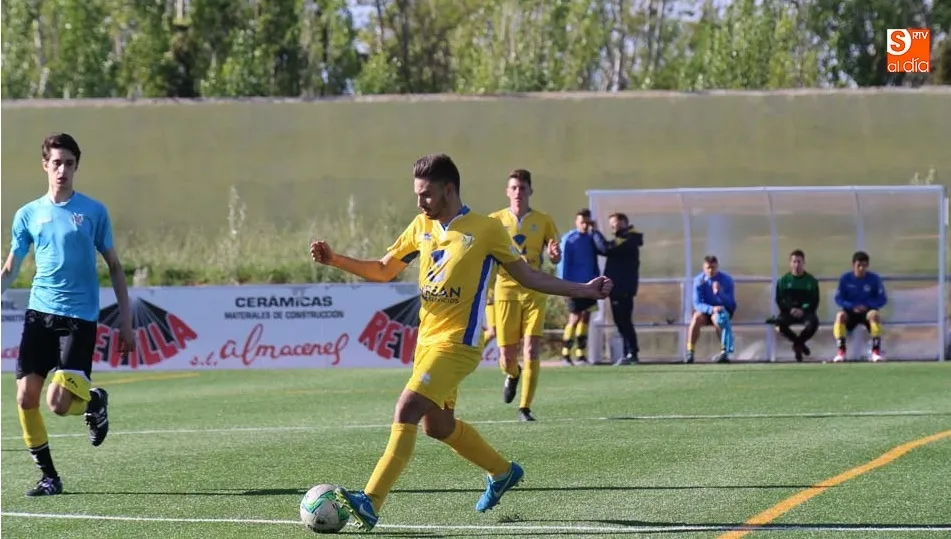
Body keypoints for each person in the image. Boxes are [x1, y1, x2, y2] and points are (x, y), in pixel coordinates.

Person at [309, 154, 612, 531]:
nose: (420, 203)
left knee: (407, 407)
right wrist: (336, 260)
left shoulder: (485, 229)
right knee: (436, 426)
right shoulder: (422, 225)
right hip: (427, 342)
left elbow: (529, 276)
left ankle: (370, 500)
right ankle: (502, 472)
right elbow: (385, 270)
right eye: (418, 195)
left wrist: (583, 289)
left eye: (427, 195)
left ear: (449, 189)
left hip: (459, 343)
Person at [1, 133, 135, 497]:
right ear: (45, 164)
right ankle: (49, 478)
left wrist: (126, 320)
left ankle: (94, 400)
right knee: (25, 399)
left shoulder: (93, 211)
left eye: (69, 163)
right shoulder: (28, 214)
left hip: (78, 317)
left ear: (77, 166)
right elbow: (12, 264)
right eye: (56, 163)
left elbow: (115, 267)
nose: (62, 170)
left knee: (58, 404)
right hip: (39, 314)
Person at [488, 169, 560, 422]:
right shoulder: (494, 220)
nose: (518, 192)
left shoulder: (543, 220)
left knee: (531, 348)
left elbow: (555, 255)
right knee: (506, 356)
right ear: (508, 191)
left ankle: (525, 408)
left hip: (534, 290)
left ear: (530, 191)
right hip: (505, 289)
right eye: (514, 188)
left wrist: (554, 255)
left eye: (522, 188)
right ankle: (513, 374)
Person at [591, 212, 644, 366]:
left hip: (623, 287)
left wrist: (595, 232)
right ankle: (630, 353)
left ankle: (632, 354)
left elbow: (606, 248)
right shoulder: (625, 238)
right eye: (611, 223)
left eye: (616, 222)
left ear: (625, 223)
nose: (613, 226)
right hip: (620, 287)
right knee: (622, 321)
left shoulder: (628, 238)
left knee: (623, 321)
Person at [556, 209, 601, 366]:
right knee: (574, 318)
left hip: (590, 285)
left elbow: (596, 259)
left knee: (586, 317)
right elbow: (562, 264)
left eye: (587, 222)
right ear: (576, 222)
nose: (584, 225)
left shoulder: (590, 238)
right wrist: (563, 286)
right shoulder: (569, 239)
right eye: (582, 222)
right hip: (574, 286)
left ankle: (581, 355)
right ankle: (565, 355)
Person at [833, 251, 887, 362]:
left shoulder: (874, 279)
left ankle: (876, 352)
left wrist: (868, 305)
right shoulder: (845, 278)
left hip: (867, 312)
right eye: (859, 265)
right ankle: (841, 352)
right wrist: (852, 306)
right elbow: (838, 298)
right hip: (851, 312)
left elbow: (882, 298)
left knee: (874, 315)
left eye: (864, 265)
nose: (861, 268)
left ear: (867, 265)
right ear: (853, 265)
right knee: (840, 316)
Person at [686, 255, 736, 363]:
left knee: (717, 318)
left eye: (713, 267)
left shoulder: (727, 280)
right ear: (703, 268)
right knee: (696, 318)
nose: (710, 270)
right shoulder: (699, 281)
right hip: (706, 311)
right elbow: (697, 303)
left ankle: (724, 352)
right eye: (708, 267)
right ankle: (690, 352)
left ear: (717, 267)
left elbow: (732, 304)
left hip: (722, 311)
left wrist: (720, 293)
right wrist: (711, 309)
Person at [772, 249, 820, 362]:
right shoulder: (783, 281)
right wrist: (790, 309)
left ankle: (798, 344)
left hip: (806, 312)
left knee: (813, 323)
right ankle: (799, 344)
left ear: (804, 263)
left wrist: (803, 310)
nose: (797, 265)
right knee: (779, 324)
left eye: (799, 262)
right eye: (794, 262)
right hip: (789, 312)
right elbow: (779, 299)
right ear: (790, 263)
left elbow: (815, 300)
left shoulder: (811, 281)